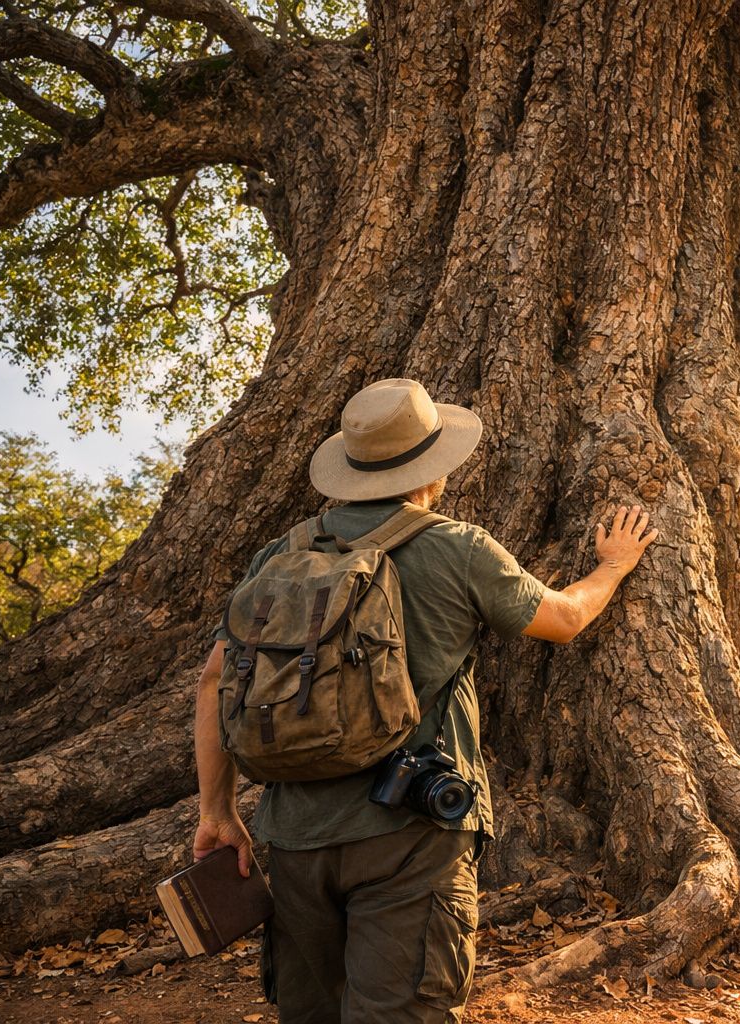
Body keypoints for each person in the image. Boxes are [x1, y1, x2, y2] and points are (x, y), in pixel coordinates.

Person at [191, 378, 657, 1023]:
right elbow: (565, 619)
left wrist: (216, 810)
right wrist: (612, 566)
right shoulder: (457, 547)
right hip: (411, 832)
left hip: (295, 834)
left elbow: (216, 679)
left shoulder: (281, 554)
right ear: (432, 473)